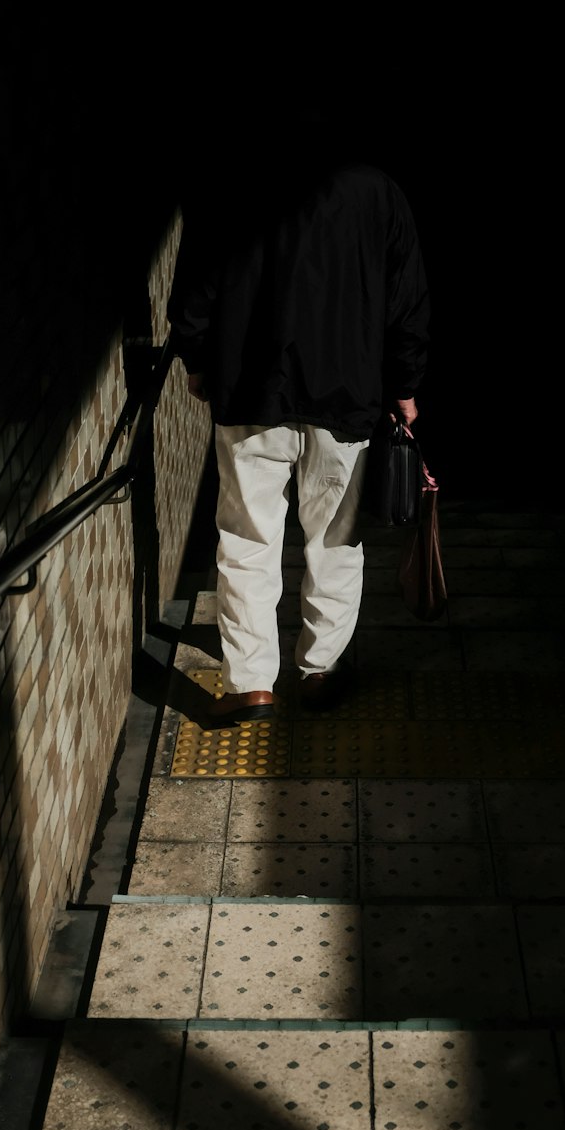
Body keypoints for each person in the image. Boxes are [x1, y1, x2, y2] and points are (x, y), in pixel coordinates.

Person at [166, 108, 430, 722]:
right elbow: (406, 299)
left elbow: (198, 282)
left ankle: (251, 683)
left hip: (251, 389)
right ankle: (320, 671)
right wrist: (406, 383)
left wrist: (199, 358)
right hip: (348, 394)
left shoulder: (231, 178)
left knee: (247, 537)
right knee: (336, 539)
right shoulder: (375, 190)